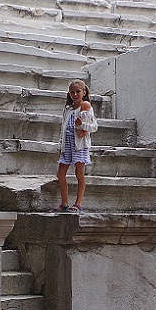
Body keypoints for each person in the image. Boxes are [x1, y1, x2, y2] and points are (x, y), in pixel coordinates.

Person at [56, 80, 98, 212]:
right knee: (60, 173)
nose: (75, 94)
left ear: (84, 92)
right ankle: (64, 203)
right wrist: (60, 145)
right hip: (67, 145)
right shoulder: (67, 110)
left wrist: (82, 125)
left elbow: (94, 127)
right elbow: (63, 129)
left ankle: (78, 203)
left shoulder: (86, 108)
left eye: (78, 92)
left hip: (79, 145)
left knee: (79, 173)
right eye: (72, 92)